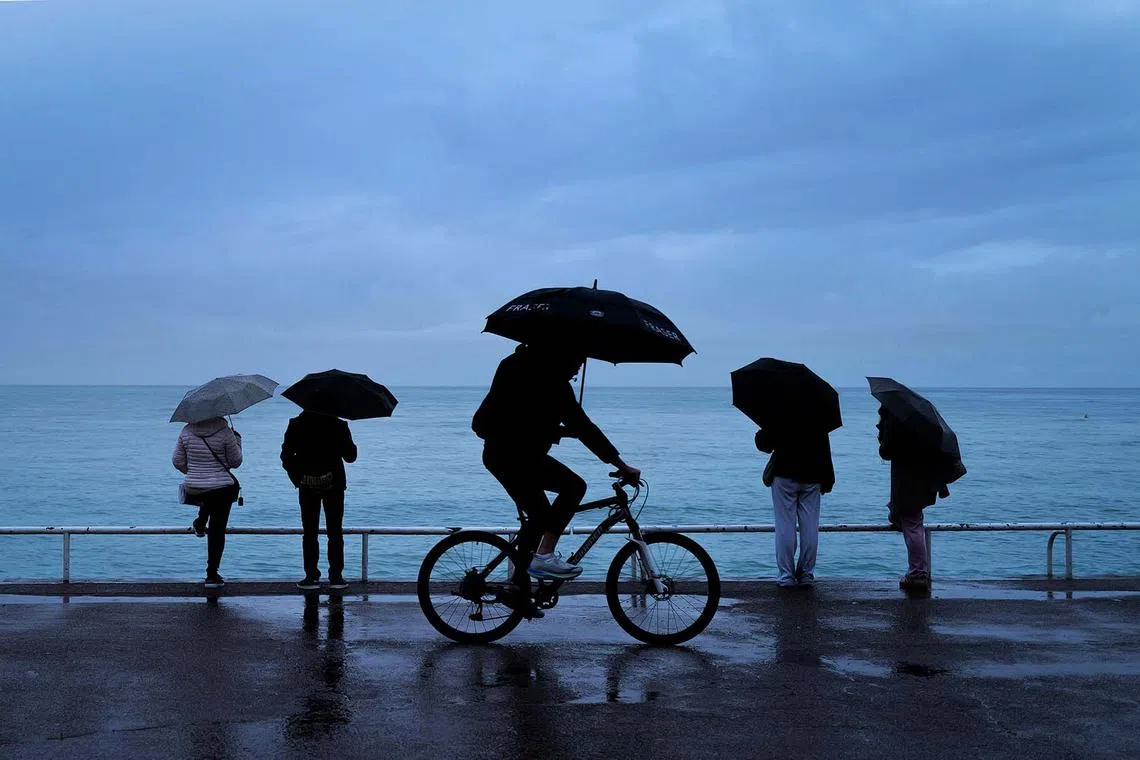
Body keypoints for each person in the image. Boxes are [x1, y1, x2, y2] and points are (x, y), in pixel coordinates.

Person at [472, 343, 641, 598]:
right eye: (577, 361)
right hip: (513, 457)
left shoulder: (516, 365)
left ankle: (520, 588)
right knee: (574, 487)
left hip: (507, 454)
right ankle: (543, 556)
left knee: (540, 518)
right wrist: (621, 465)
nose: (579, 367)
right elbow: (584, 427)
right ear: (562, 355)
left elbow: (521, 417)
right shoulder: (552, 381)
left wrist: (559, 430)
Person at [877, 406, 960, 591]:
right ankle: (917, 571)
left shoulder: (895, 418)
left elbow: (886, 451)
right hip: (922, 479)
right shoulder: (922, 422)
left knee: (913, 524)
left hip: (907, 482)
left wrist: (882, 431)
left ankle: (917, 574)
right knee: (912, 520)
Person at [281, 409, 358, 591]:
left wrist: (297, 476)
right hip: (334, 484)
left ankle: (311, 576)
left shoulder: (296, 424)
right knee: (335, 531)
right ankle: (336, 576)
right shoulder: (339, 425)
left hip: (306, 485)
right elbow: (351, 456)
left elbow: (285, 456)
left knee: (309, 531)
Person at [755, 427, 835, 588]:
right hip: (813, 473)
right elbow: (825, 447)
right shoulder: (819, 411)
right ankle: (806, 574)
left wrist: (762, 431)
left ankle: (786, 576)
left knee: (785, 526)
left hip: (784, 473)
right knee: (811, 527)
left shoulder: (782, 409)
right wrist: (829, 478)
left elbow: (764, 444)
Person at [172, 416, 243, 589]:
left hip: (195, 486)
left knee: (210, 497)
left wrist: (195, 473)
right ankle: (212, 575)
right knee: (218, 529)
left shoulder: (186, 431)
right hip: (221, 489)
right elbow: (236, 462)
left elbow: (177, 461)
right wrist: (238, 441)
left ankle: (200, 522)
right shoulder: (226, 432)